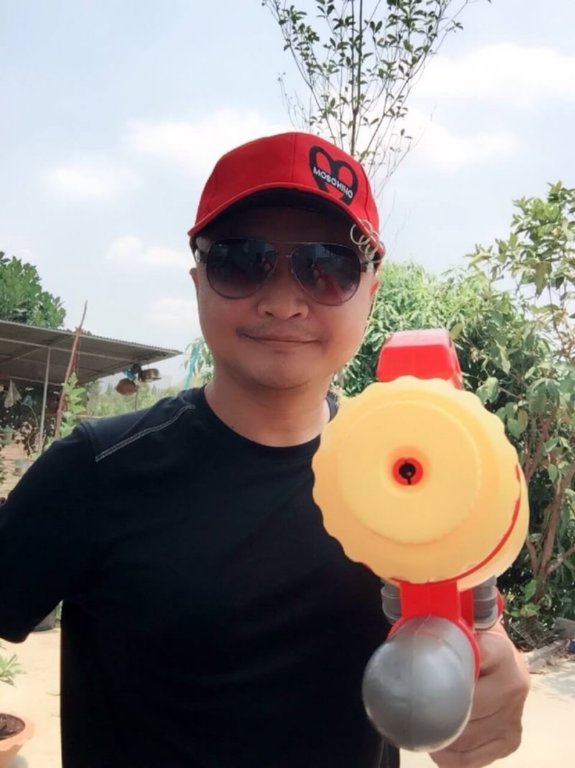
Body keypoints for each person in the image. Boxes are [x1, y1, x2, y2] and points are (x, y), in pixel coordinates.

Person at [0, 132, 529, 768]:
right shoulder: (95, 470)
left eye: (328, 265)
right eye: (240, 261)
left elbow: (466, 622)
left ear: (369, 292)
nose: (282, 304)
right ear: (198, 280)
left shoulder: (414, 469)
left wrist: (489, 675)